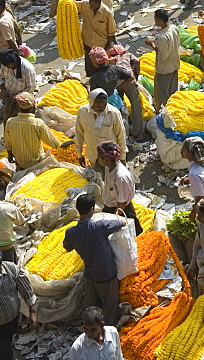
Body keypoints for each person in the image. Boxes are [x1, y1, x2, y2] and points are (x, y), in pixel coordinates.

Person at [64, 194, 124, 325]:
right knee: (110, 308)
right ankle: (106, 331)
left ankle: (91, 329)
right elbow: (121, 222)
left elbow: (67, 247)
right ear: (92, 209)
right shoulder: (100, 227)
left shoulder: (71, 232)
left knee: (91, 307)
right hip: (106, 274)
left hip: (89, 274)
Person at [3, 92, 63, 169]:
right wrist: (62, 144)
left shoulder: (10, 122)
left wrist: (10, 155)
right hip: (36, 162)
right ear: (34, 106)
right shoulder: (37, 123)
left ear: (19, 107)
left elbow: (8, 142)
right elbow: (53, 143)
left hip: (20, 162)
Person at [96, 141, 141, 234]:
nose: (97, 159)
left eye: (99, 157)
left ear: (106, 159)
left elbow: (122, 203)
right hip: (110, 205)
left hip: (121, 210)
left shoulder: (121, 177)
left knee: (130, 233)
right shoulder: (108, 167)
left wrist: (115, 219)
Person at [75, 88, 127, 166]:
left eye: (103, 104)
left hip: (109, 158)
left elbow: (121, 135)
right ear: (91, 102)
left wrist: (122, 157)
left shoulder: (113, 113)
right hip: (92, 155)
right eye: (98, 104)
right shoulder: (83, 111)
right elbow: (79, 133)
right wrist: (79, 154)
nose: (101, 107)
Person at [146, 8, 180, 110]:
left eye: (155, 19)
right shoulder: (174, 28)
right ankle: (173, 109)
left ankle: (163, 113)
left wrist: (151, 44)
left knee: (162, 94)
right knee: (172, 91)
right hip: (174, 64)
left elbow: (162, 55)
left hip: (164, 69)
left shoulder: (162, 37)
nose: (155, 21)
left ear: (160, 20)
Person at [0, 49, 36, 122]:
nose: (7, 67)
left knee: (22, 121)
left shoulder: (27, 68)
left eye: (8, 66)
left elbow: (31, 87)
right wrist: (3, 90)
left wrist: (18, 98)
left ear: (13, 61)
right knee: (8, 120)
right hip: (9, 97)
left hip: (23, 100)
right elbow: (0, 77)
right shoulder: (5, 65)